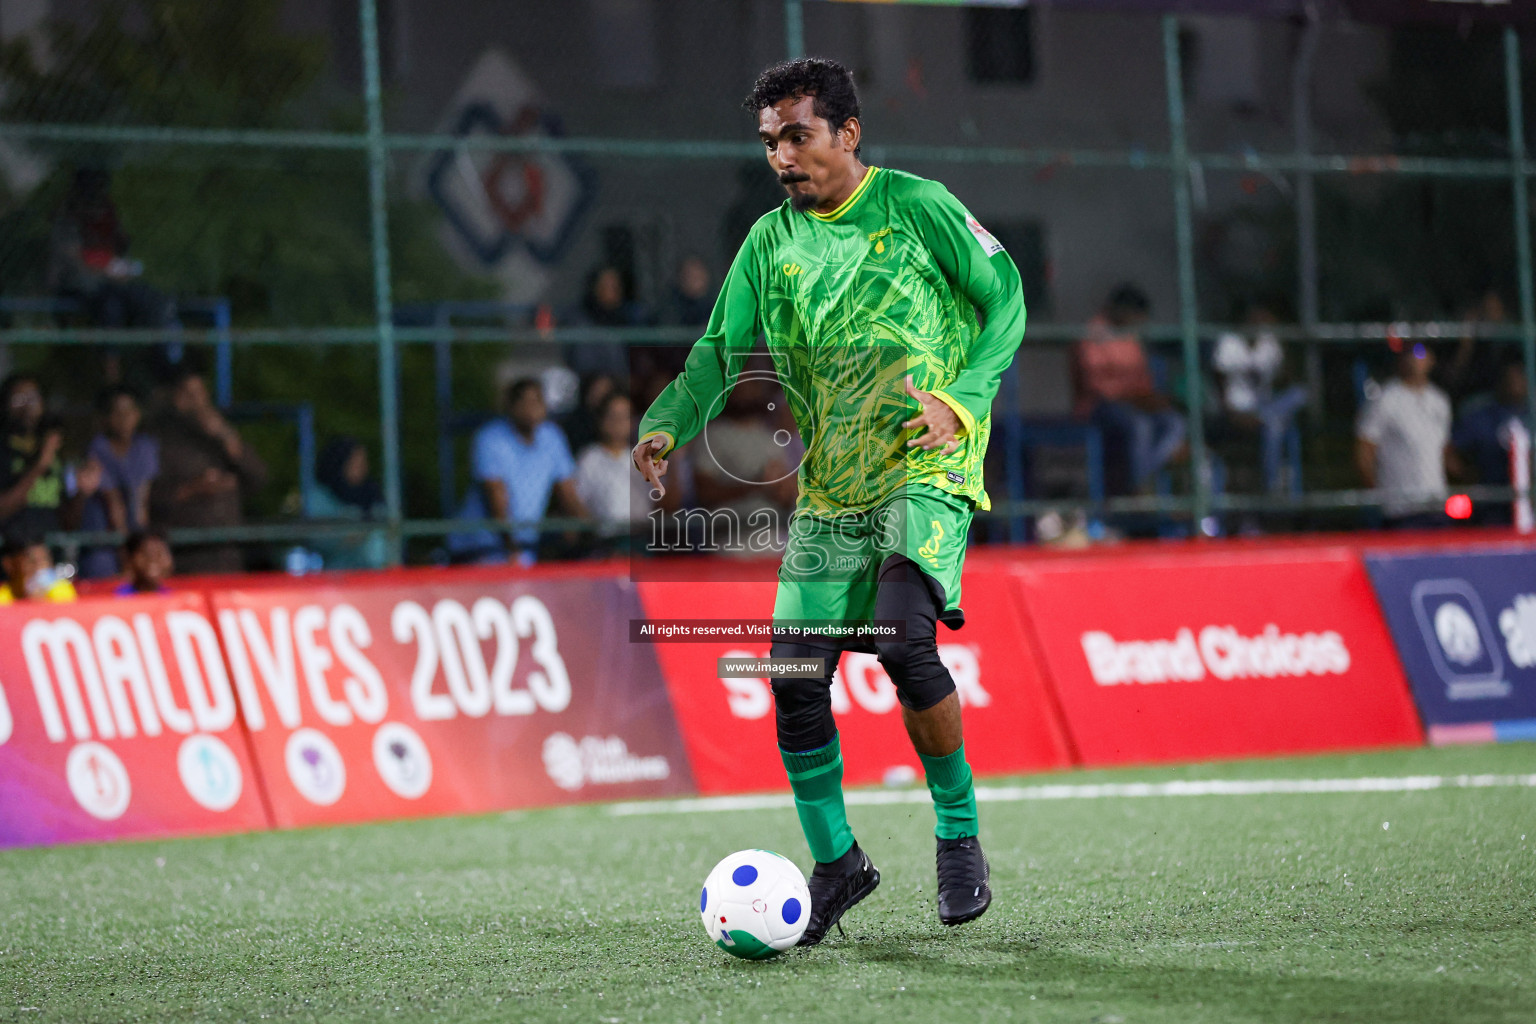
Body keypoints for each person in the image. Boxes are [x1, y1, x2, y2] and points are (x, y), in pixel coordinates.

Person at [634, 58, 1022, 942]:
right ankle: (839, 863)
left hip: (926, 469)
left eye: (797, 136)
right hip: (834, 492)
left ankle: (959, 839)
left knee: (900, 638)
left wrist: (960, 401)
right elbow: (719, 352)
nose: (781, 157)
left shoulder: (918, 206)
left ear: (847, 134)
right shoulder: (769, 243)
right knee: (794, 678)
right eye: (770, 141)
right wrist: (666, 424)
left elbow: (1007, 300)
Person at [448, 378, 589, 565]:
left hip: (522, 550)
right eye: (524, 402)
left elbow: (568, 493)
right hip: (478, 549)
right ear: (511, 407)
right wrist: (511, 549)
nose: (531, 409)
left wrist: (591, 534)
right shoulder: (490, 438)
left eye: (537, 401)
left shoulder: (552, 437)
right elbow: (496, 498)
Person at [149, 368, 268, 574]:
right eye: (189, 394)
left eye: (200, 392)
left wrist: (229, 438)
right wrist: (196, 488)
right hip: (188, 560)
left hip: (229, 557)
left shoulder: (223, 437)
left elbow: (259, 479)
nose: (197, 401)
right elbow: (151, 500)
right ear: (176, 397)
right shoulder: (159, 442)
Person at [1073, 284, 1186, 494]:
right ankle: (1137, 490)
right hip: (1100, 408)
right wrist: (1134, 398)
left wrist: (1153, 400)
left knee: (1174, 422)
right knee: (1140, 426)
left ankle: (1141, 479)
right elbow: (1098, 387)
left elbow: (1143, 383)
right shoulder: (1092, 333)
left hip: (1135, 404)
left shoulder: (1130, 336)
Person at [1357, 344, 1460, 529]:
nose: (1416, 360)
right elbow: (1365, 450)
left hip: (1436, 504)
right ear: (1401, 360)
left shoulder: (1440, 400)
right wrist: (1378, 495)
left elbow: (1445, 452)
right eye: (1411, 355)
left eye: (1421, 354)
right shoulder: (1385, 399)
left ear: (1431, 360)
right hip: (1401, 509)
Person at [1210, 300, 1308, 494]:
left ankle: (1271, 489)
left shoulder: (1269, 342)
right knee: (1275, 425)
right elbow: (1218, 383)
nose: (1259, 322)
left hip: (1264, 407)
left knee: (1299, 395)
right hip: (1236, 410)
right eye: (1255, 318)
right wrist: (1232, 413)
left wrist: (1281, 341)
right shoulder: (1229, 341)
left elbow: (1286, 380)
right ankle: (1272, 489)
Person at [0, 373, 100, 541]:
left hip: (52, 553)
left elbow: (69, 524)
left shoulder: (56, 448)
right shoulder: (4, 449)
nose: (27, 406)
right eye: (19, 399)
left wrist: (82, 493)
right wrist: (40, 465)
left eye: (32, 398)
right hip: (14, 555)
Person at [79, 387, 159, 579]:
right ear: (106, 418)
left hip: (133, 535)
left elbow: (141, 506)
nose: (124, 418)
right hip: (102, 538)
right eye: (117, 412)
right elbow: (113, 504)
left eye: (130, 411)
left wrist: (140, 551)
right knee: (102, 569)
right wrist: (128, 558)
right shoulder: (97, 448)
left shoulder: (145, 447)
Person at [1452, 359, 1532, 526]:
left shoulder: (1531, 414)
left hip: (1530, 500)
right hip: (1491, 504)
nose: (1514, 382)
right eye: (1509, 378)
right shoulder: (1481, 415)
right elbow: (1453, 451)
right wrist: (1469, 478)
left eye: (1519, 377)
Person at [573, 393, 655, 549]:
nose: (619, 423)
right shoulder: (589, 458)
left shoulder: (643, 458)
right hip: (604, 542)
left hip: (640, 540)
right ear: (602, 421)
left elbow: (656, 503)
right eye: (614, 416)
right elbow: (579, 503)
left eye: (625, 417)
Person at [306, 438, 387, 570]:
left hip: (375, 576)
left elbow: (387, 530)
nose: (363, 467)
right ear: (340, 462)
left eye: (364, 461)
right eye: (355, 462)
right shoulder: (321, 496)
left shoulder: (372, 492)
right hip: (335, 574)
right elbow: (321, 539)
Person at [566, 265, 651, 378]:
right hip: (590, 379)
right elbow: (583, 361)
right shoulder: (581, 318)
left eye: (616, 285)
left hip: (626, 380)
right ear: (595, 287)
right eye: (606, 285)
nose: (612, 290)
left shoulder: (631, 316)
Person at [0, 533, 76, 603]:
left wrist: (39, 599)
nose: (40, 568)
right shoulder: (4, 595)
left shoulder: (62, 590)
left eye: (44, 560)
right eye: (32, 562)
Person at [114, 528, 173, 595]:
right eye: (146, 554)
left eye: (159, 554)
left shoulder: (172, 597)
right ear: (130, 559)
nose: (153, 560)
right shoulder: (120, 598)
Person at [668, 255, 715, 327]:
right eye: (690, 275)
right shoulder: (672, 308)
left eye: (698, 276)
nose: (695, 280)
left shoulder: (715, 305)